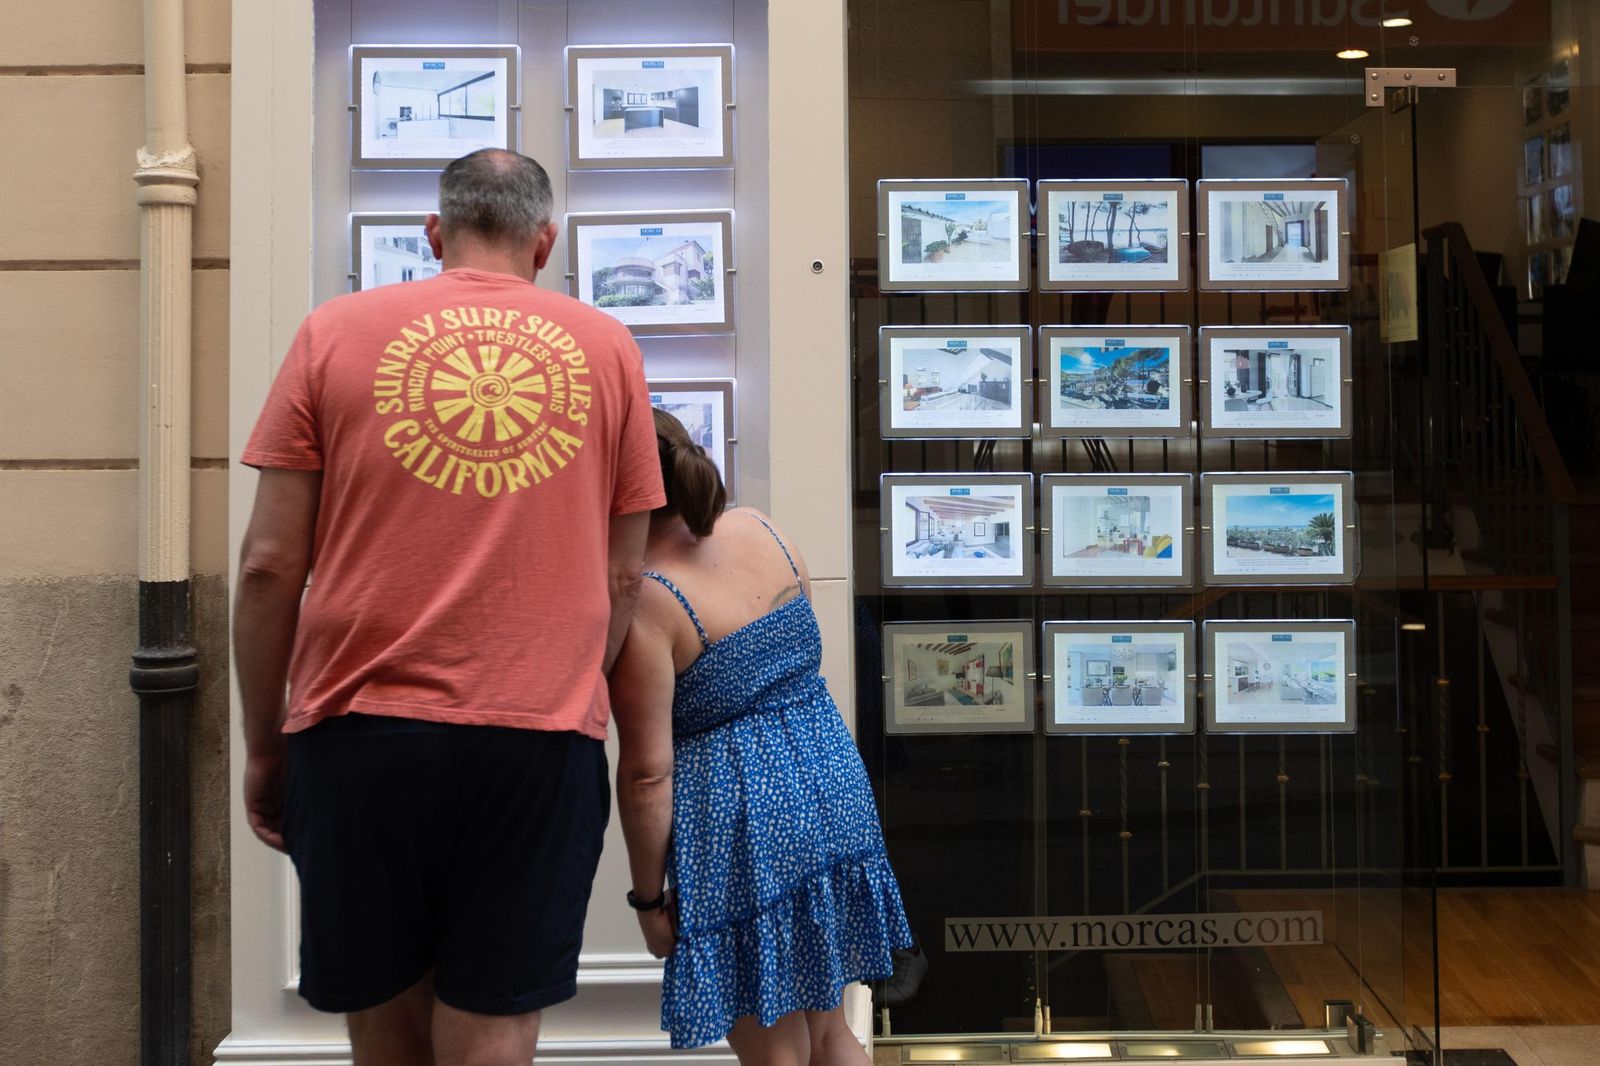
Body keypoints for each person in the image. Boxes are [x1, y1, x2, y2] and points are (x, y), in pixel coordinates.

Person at [233, 148, 665, 1065]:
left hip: (356, 727)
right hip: (539, 730)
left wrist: (266, 742)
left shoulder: (331, 333)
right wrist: (568, 682)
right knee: (497, 1020)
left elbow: (270, 565)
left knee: (383, 1022)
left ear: (434, 233)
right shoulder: (607, 346)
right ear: (546, 242)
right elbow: (626, 577)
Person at [608, 410, 912, 1063]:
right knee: (833, 1031)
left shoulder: (648, 601)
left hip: (742, 820)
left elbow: (646, 776)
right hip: (830, 785)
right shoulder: (762, 528)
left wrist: (649, 898)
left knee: (773, 1046)